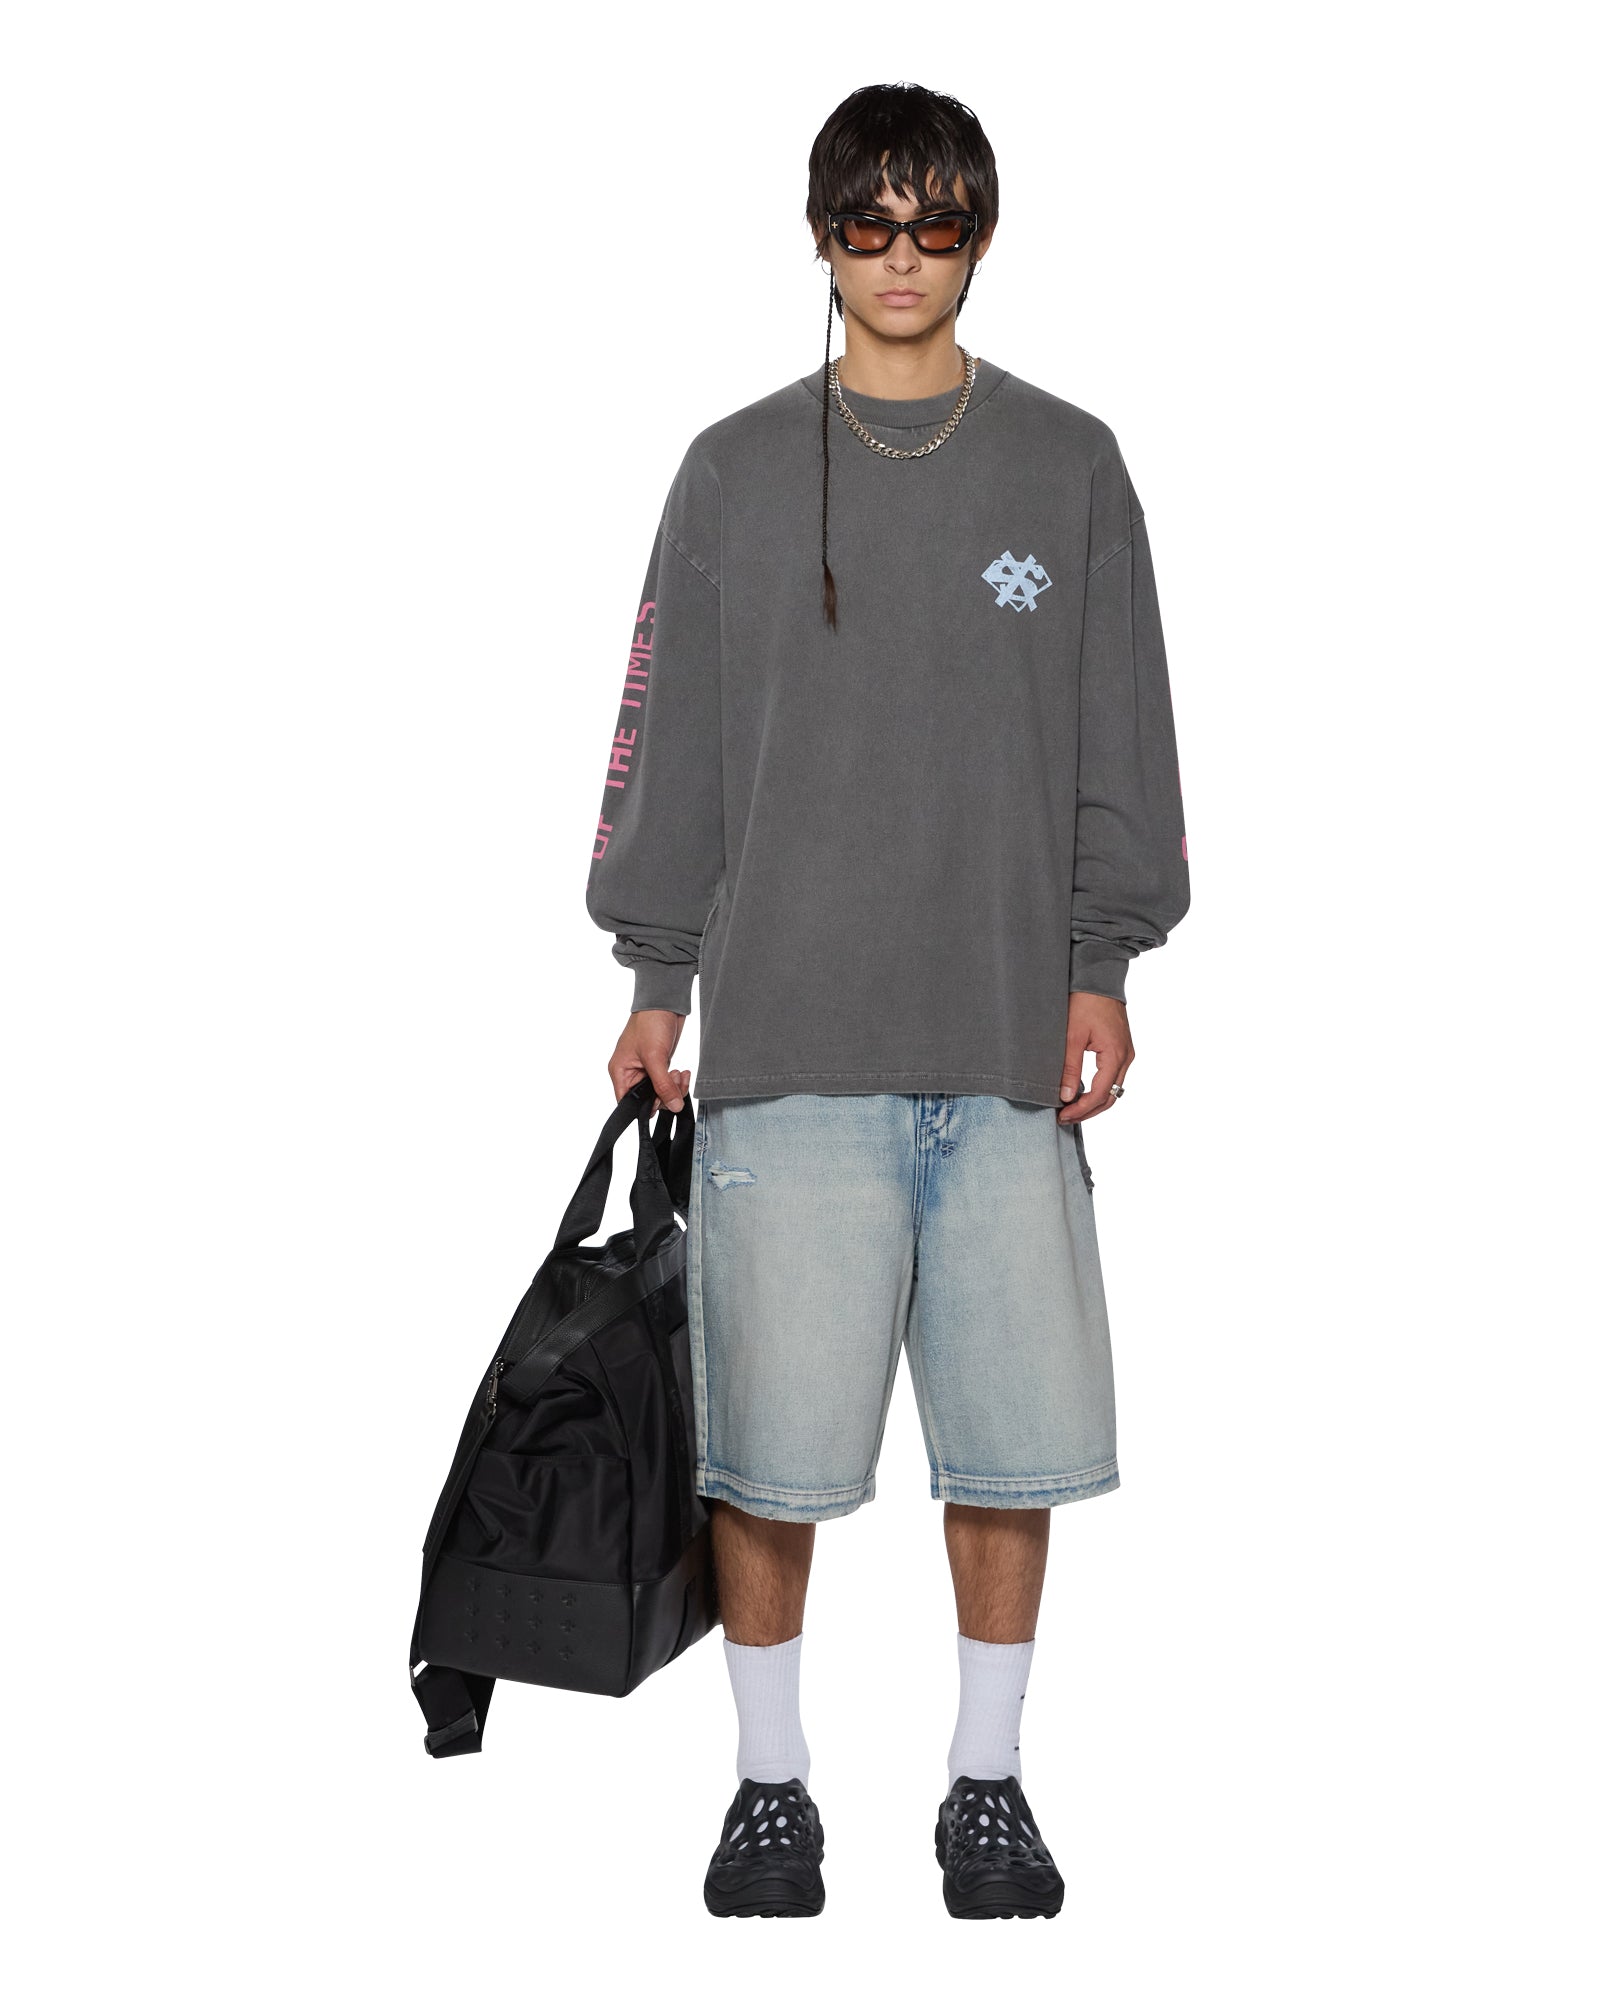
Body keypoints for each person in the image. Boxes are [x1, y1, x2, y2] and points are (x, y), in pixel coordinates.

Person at [584, 80, 1189, 1921]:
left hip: (1005, 1049)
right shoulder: (734, 471)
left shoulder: (1070, 463)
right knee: (767, 1455)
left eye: (938, 224)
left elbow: (1122, 737)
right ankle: (770, 1792)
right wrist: (656, 977)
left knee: (1008, 1449)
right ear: (821, 234)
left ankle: (986, 1786)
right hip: (788, 1050)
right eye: (871, 222)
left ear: (981, 238)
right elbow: (672, 736)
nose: (903, 255)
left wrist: (1100, 962)